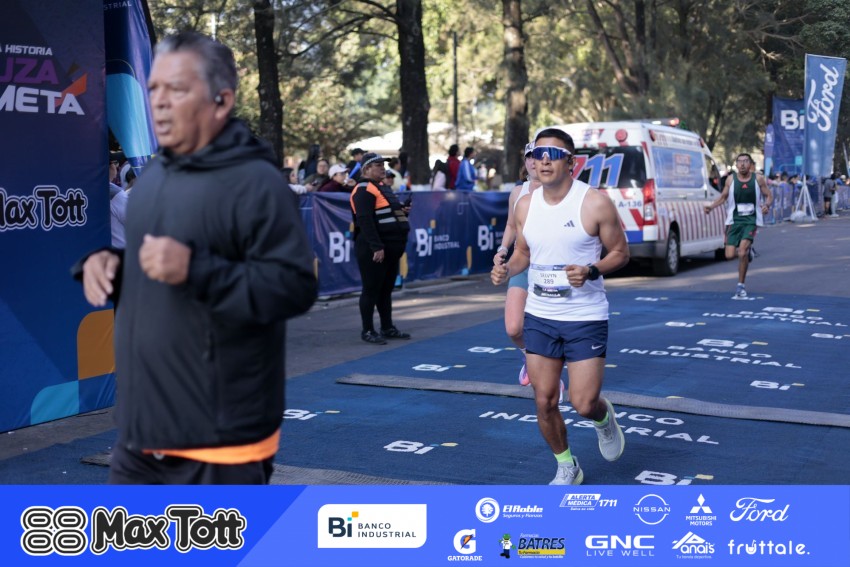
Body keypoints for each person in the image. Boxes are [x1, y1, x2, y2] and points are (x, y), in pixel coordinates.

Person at [74, 31, 317, 484]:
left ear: (221, 100)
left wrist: (195, 268)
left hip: (221, 432)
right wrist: (115, 268)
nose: (160, 103)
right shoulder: (152, 179)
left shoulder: (256, 183)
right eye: (154, 89)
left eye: (178, 89)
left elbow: (294, 288)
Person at [490, 128, 629, 485]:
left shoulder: (594, 202)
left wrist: (591, 270)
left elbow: (620, 252)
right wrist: (506, 269)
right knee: (545, 400)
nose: (544, 160)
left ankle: (603, 419)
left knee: (584, 403)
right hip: (540, 315)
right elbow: (523, 253)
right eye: (538, 153)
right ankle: (567, 465)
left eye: (553, 154)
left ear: (571, 162)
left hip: (585, 316)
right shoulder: (525, 204)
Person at [493, 143, 544, 389]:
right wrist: (502, 250)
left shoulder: (561, 192)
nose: (533, 162)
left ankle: (546, 373)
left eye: (538, 156)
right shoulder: (517, 192)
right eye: (529, 157)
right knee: (514, 328)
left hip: (550, 268)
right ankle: (529, 356)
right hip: (522, 263)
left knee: (550, 330)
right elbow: (511, 225)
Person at [350, 152, 411, 345]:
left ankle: (387, 327)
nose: (383, 168)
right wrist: (376, 247)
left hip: (390, 249)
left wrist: (402, 211)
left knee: (385, 290)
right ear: (367, 169)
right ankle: (367, 330)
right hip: (373, 249)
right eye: (378, 165)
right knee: (371, 290)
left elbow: (385, 214)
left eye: (383, 165)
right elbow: (365, 220)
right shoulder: (363, 189)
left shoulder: (381, 187)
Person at [704, 153, 772, 299]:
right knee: (729, 255)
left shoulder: (758, 179)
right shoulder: (730, 179)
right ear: (736, 164)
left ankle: (741, 286)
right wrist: (711, 207)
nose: (742, 164)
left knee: (741, 252)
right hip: (734, 221)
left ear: (750, 164)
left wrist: (766, 205)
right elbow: (723, 197)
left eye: (745, 161)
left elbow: (769, 195)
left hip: (751, 221)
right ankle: (749, 253)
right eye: (739, 161)